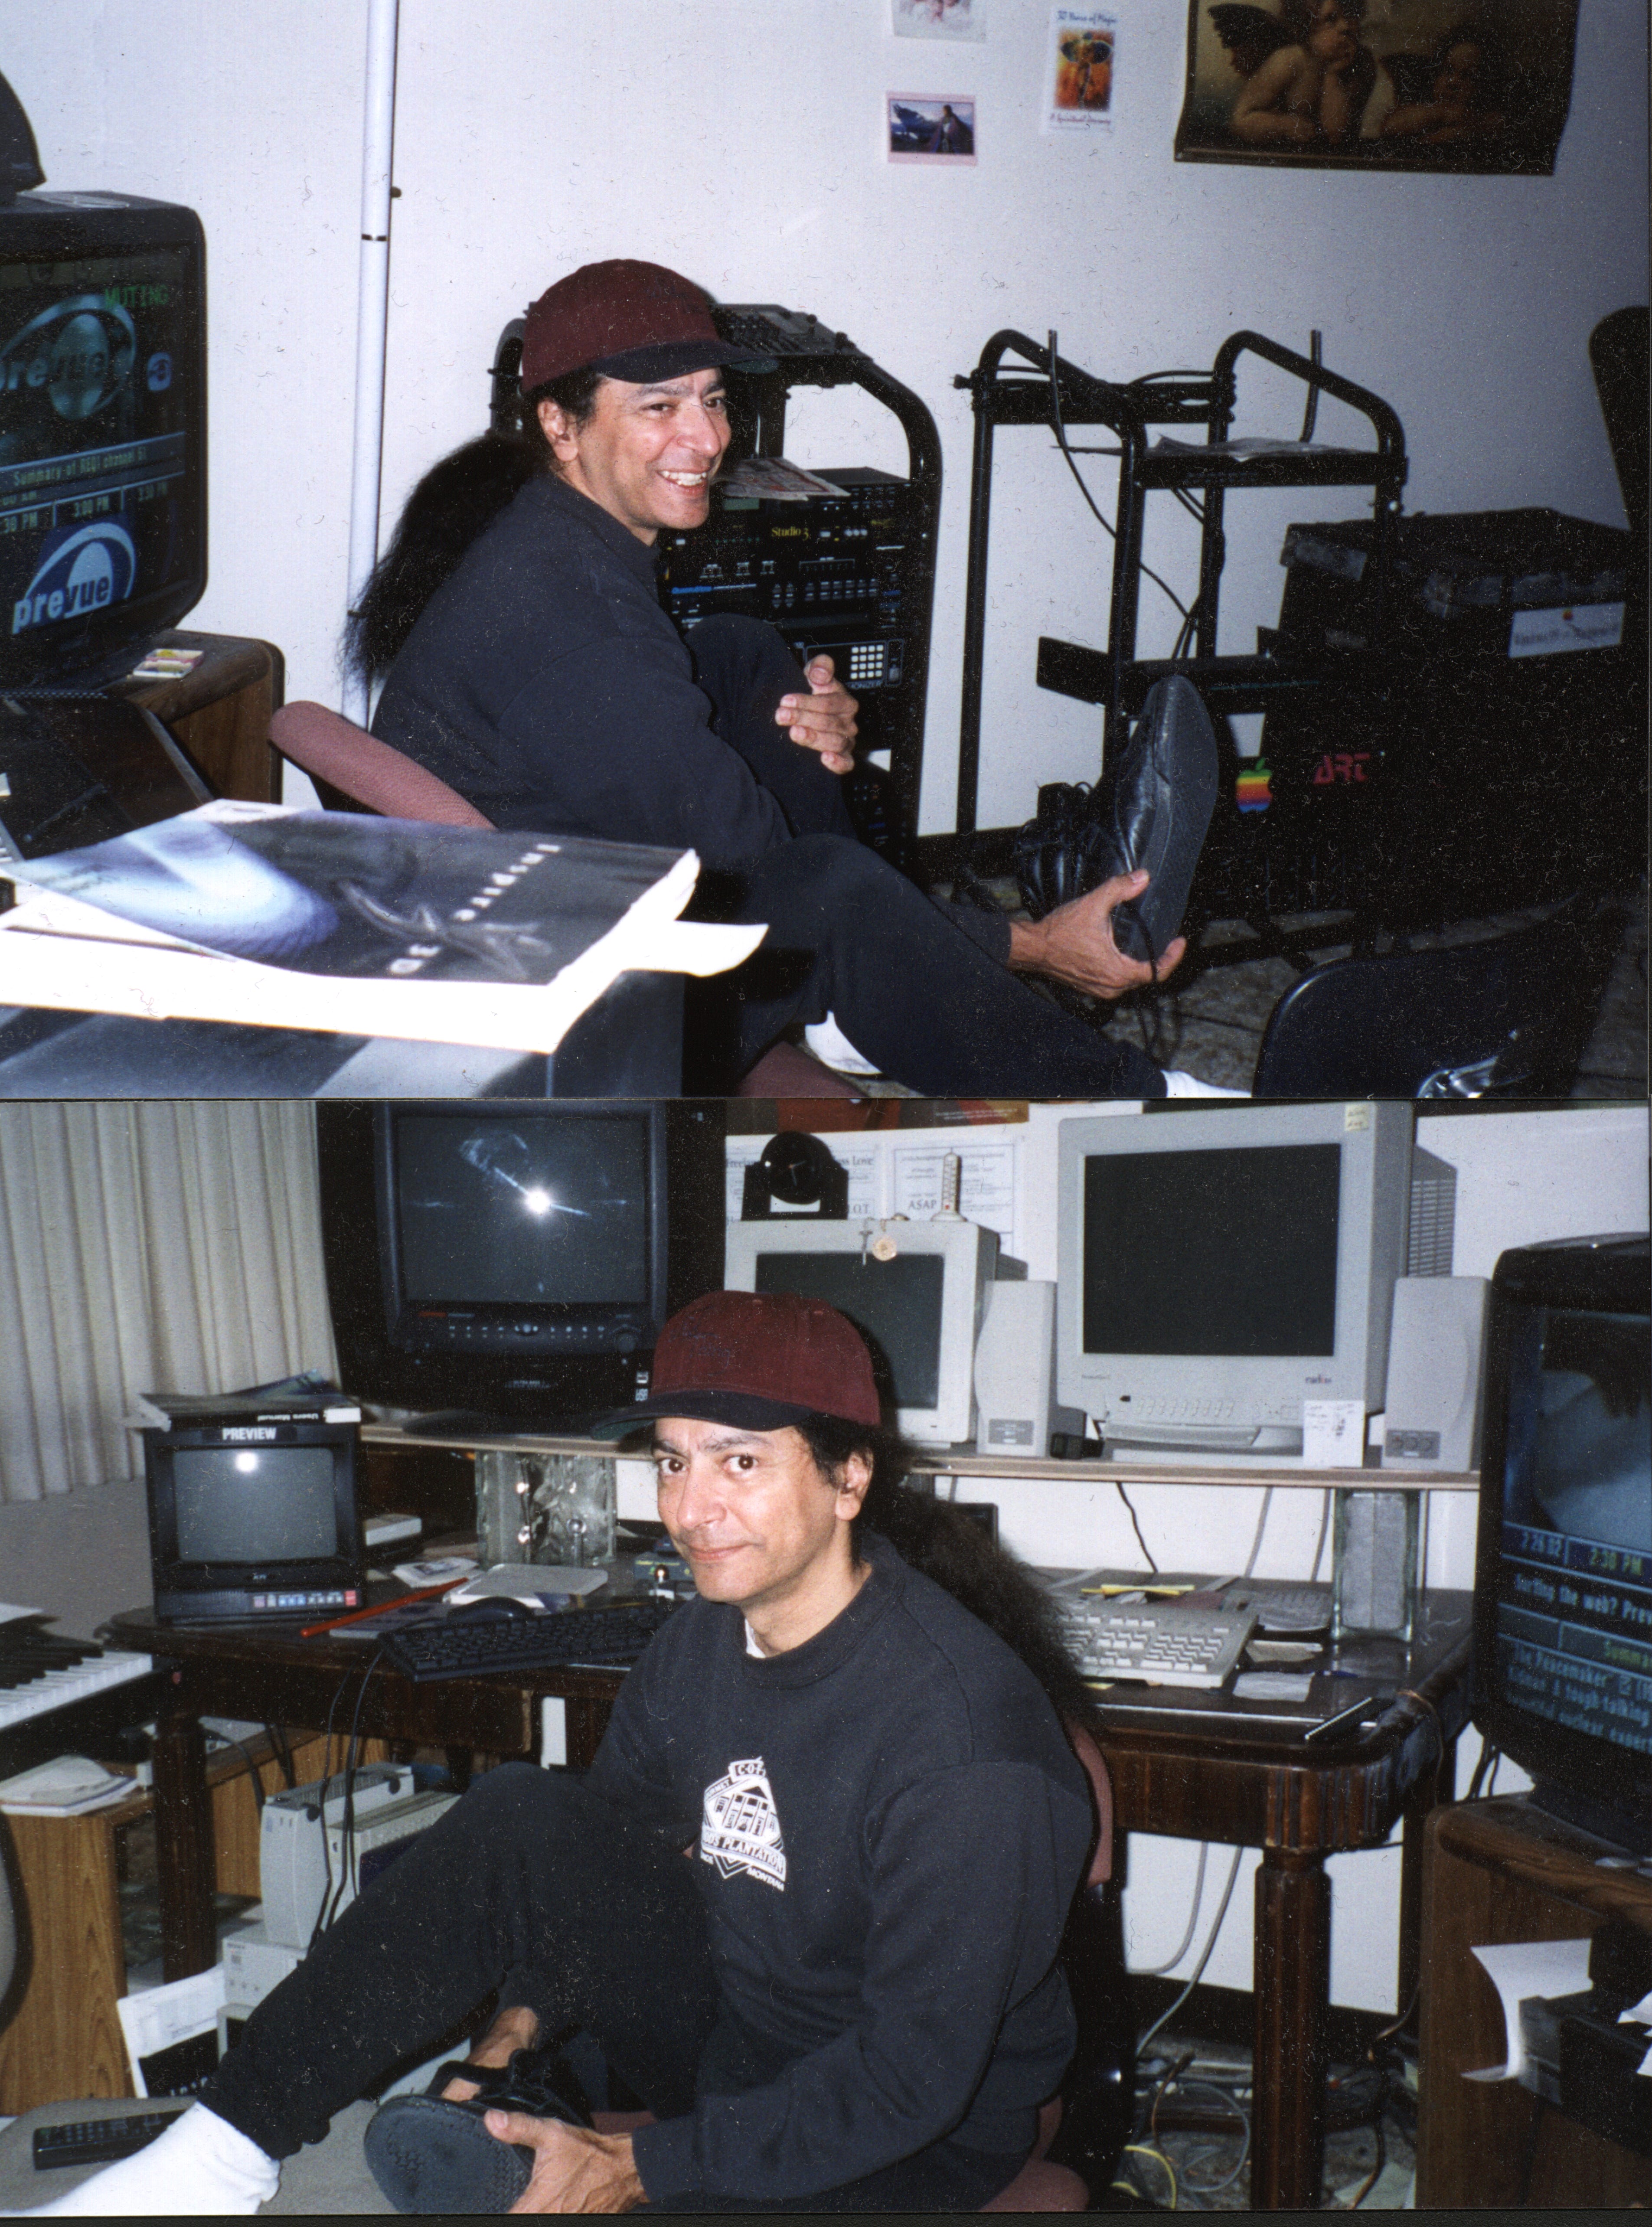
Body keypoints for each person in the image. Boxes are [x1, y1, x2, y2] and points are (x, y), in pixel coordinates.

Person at [18, 1293, 1100, 2217]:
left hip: (915, 2126)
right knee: (528, 1812)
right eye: (673, 1462)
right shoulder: (696, 1646)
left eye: (740, 1463)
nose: (690, 1509)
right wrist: (514, 2035)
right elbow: (590, 1876)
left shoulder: (965, 1744)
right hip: (740, 2025)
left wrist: (636, 2168)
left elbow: (910, 2081)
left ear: (850, 1477)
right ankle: (220, 2156)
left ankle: (571, 2157)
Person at [352, 258, 1237, 1099]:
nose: (706, 439)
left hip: (528, 905)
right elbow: (746, 862)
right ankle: (1141, 1094)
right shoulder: (581, 630)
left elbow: (667, 738)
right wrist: (1034, 947)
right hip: (550, 1019)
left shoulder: (541, 534)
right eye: (659, 407)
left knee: (737, 651)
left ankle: (857, 1000)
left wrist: (805, 742)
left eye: (712, 399)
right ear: (560, 423)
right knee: (829, 887)